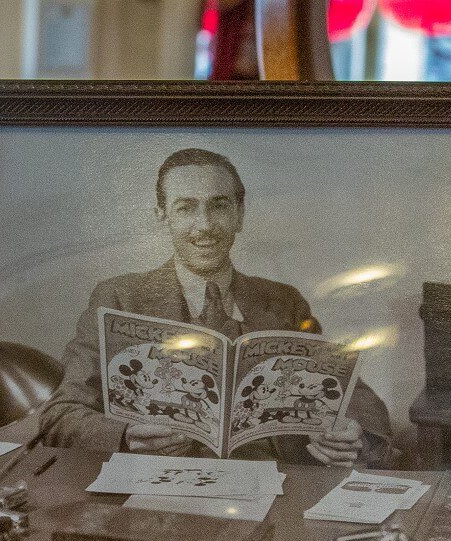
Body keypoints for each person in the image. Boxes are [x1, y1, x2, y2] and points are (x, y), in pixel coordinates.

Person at [37, 148, 391, 466]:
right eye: (186, 208)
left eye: (219, 206)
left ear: (239, 215)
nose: (205, 226)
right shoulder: (118, 299)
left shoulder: (283, 301)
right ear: (163, 215)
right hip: (164, 496)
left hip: (278, 486)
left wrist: (354, 433)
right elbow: (60, 415)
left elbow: (355, 396)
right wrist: (125, 436)